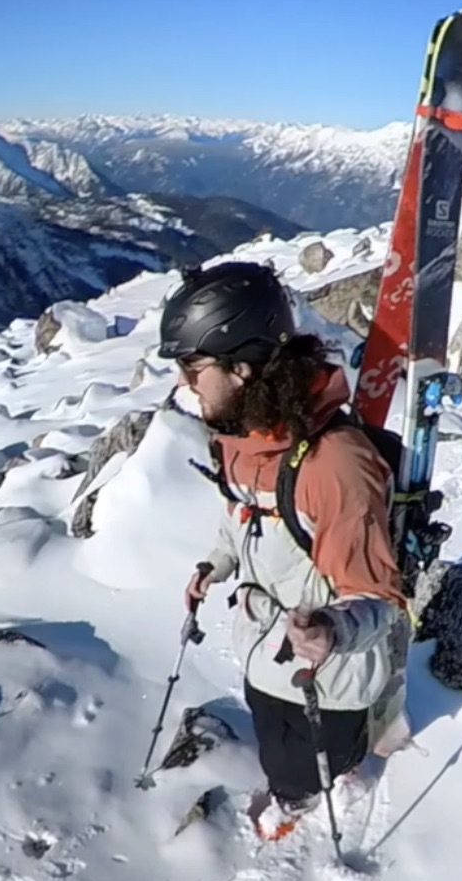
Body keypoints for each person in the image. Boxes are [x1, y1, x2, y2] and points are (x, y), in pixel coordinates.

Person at [163, 261, 406, 837]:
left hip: (326, 679)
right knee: (273, 736)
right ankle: (295, 785)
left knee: (300, 768)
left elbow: (379, 596)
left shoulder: (333, 466)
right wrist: (215, 565)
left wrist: (331, 628)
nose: (183, 385)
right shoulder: (246, 441)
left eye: (193, 368)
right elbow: (245, 518)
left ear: (242, 369)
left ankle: (309, 796)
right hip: (264, 649)